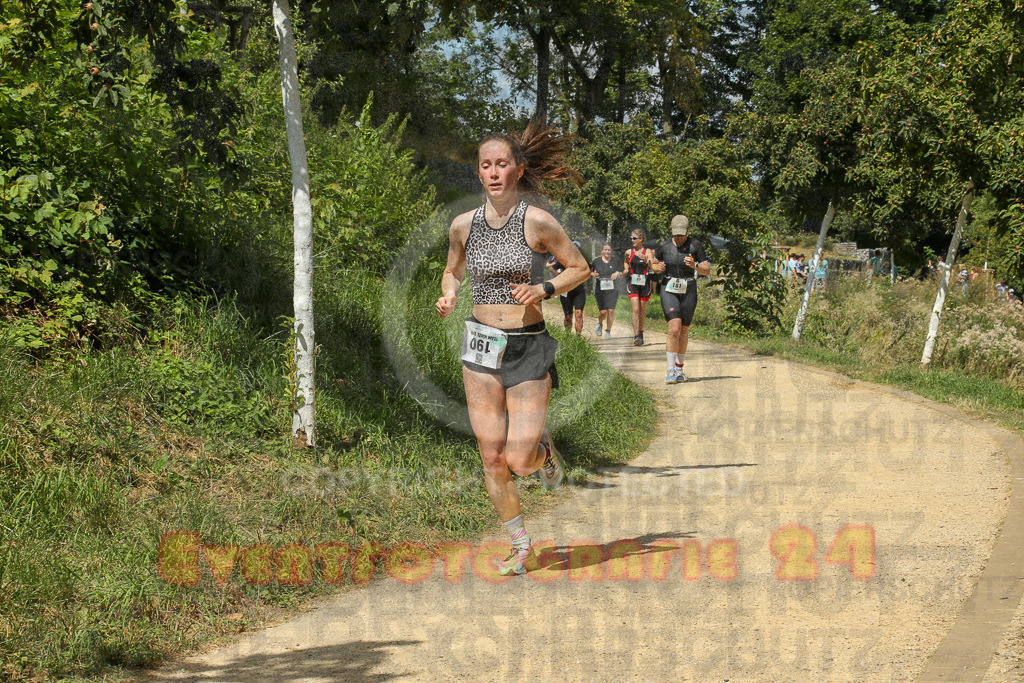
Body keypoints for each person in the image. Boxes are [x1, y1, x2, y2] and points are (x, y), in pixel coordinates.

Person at [435, 121, 588, 576]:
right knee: (491, 456)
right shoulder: (463, 225)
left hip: (527, 347)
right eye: (486, 165)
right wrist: (448, 294)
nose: (494, 172)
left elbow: (578, 268)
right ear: (479, 174)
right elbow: (453, 271)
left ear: (518, 171)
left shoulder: (537, 221)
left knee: (520, 460)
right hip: (481, 347)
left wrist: (543, 288)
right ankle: (521, 545)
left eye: (502, 164)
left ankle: (544, 451)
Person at [649, 214, 710, 383]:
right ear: (671, 231)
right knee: (674, 328)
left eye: (682, 234)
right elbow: (653, 265)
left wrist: (695, 265)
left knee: (683, 330)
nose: (679, 237)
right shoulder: (663, 246)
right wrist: (657, 267)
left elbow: (706, 269)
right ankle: (670, 370)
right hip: (669, 288)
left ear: (687, 231)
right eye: (676, 233)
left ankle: (679, 368)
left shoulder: (695, 245)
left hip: (689, 289)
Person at [623, 228, 655, 346]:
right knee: (636, 309)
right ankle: (636, 335)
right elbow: (626, 261)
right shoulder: (629, 252)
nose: (632, 240)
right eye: (631, 238)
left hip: (645, 284)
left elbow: (652, 263)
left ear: (641, 239)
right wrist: (626, 268)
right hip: (633, 284)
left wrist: (647, 260)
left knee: (642, 310)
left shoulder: (647, 251)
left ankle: (641, 333)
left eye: (634, 238)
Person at [548, 241, 587, 334]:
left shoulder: (583, 260)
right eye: (573, 248)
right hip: (566, 291)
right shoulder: (563, 260)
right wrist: (560, 277)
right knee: (568, 316)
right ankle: (568, 336)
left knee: (579, 314)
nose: (575, 250)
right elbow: (551, 268)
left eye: (577, 249)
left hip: (579, 291)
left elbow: (590, 270)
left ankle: (578, 339)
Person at [590, 242, 621, 338]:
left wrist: (617, 274)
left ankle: (608, 331)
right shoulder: (596, 261)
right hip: (600, 290)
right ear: (602, 251)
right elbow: (589, 271)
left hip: (612, 290)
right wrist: (593, 274)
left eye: (609, 250)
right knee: (603, 312)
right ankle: (599, 323)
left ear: (611, 251)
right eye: (605, 249)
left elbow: (621, 272)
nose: (607, 251)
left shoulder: (616, 261)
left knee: (611, 311)